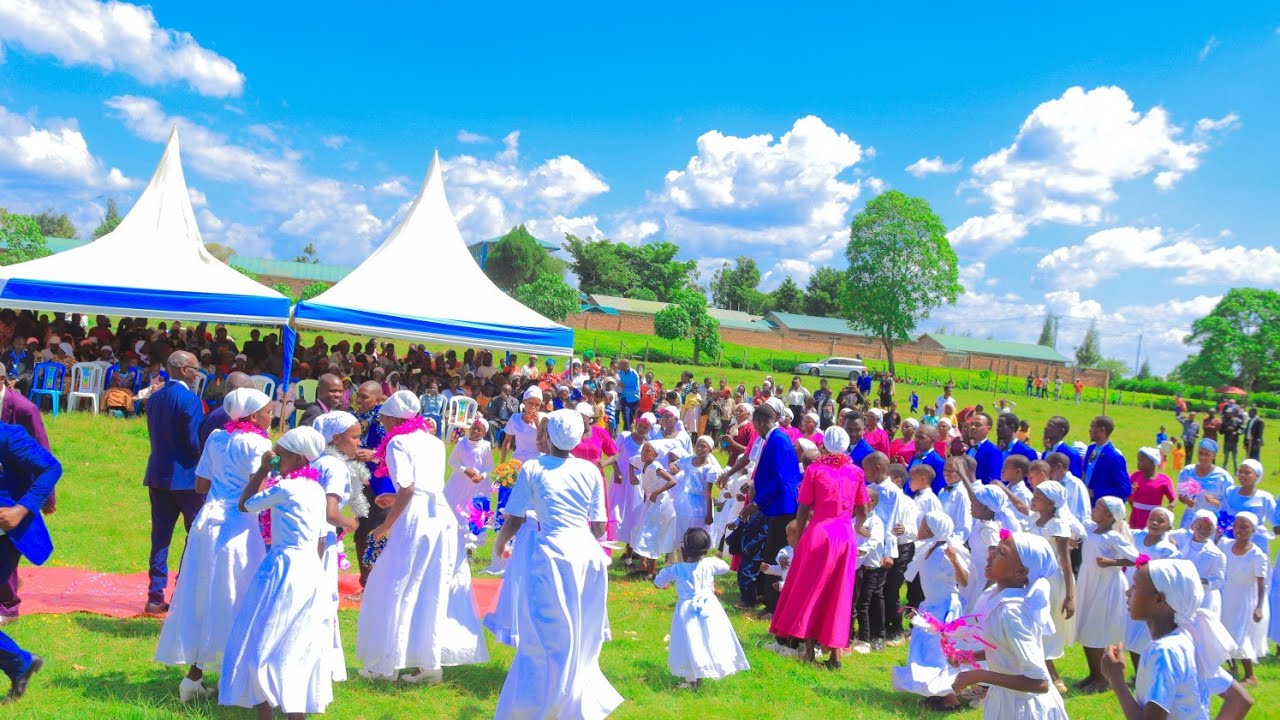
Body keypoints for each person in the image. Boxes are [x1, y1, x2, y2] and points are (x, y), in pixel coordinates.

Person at [491, 409, 623, 719]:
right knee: (581, 631)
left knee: (544, 633)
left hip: (554, 556)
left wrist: (499, 544)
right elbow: (600, 527)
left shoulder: (534, 467)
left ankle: (548, 702)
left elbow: (517, 516)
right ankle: (574, 695)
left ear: (549, 437)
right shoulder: (590, 471)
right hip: (588, 557)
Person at [356, 391, 488, 683]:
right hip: (439, 515)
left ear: (392, 419)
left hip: (416, 518)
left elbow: (409, 486)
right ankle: (429, 666)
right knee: (432, 584)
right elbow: (423, 487)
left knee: (395, 582)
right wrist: (395, 499)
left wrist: (385, 526)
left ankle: (385, 665)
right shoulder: (433, 440)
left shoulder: (397, 442)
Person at [155, 388, 273, 702]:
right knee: (238, 595)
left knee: (202, 594)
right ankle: (237, 676)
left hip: (207, 520)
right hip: (237, 524)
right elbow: (256, 494)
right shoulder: (258, 443)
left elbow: (200, 484)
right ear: (251, 415)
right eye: (267, 411)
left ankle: (193, 678)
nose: (271, 416)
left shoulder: (217, 437)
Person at [219, 427, 332, 719]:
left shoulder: (285, 488)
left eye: (279, 455)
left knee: (261, 642)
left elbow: (245, 505)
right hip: (311, 570)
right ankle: (296, 712)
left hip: (283, 569)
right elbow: (321, 539)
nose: (274, 458)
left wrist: (260, 472)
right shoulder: (317, 490)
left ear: (297, 458)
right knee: (297, 644)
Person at [1102, 557, 1253, 720]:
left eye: (1135, 586)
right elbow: (1240, 700)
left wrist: (1116, 679)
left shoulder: (1163, 651)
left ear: (1159, 599)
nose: (1128, 592)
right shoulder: (1190, 640)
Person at [770, 426, 867, 668]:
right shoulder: (856, 472)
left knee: (811, 589)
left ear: (824, 445)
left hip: (819, 533)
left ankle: (810, 650)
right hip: (844, 535)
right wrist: (854, 528)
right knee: (839, 593)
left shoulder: (814, 470)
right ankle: (835, 655)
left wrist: (801, 535)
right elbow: (863, 509)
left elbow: (802, 509)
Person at [951, 531, 1068, 718]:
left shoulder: (1012, 612)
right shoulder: (996, 597)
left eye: (1001, 553)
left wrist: (981, 676)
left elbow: (1039, 682)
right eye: (995, 549)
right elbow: (1007, 648)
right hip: (1006, 700)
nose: (990, 554)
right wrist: (972, 656)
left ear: (1020, 572)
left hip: (1025, 708)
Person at [0, 421, 62, 702]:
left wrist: (21, 509)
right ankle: (20, 663)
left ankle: (21, 663)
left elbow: (52, 467)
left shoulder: (8, 436)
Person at [143, 350, 207, 614]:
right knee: (195, 536)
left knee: (160, 538)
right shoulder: (190, 400)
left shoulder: (154, 397)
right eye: (194, 369)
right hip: (186, 478)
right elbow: (193, 443)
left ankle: (155, 595)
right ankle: (182, 593)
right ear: (181, 370)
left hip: (158, 473)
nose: (197, 374)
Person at [891, 511, 969, 710]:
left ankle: (951, 697)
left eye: (923, 525)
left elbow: (965, 580)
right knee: (926, 650)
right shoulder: (927, 548)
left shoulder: (944, 551)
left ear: (932, 529)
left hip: (944, 608)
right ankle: (936, 691)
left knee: (941, 651)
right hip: (931, 606)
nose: (919, 528)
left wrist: (954, 559)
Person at [654, 528, 749, 689]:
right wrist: (713, 558)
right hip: (710, 607)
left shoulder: (678, 569)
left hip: (686, 610)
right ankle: (711, 666)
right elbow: (725, 567)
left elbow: (659, 582)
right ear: (706, 549)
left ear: (684, 549)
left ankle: (692, 679)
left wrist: (666, 574)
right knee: (710, 638)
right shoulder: (710, 564)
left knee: (690, 640)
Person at [0, 370, 50, 626]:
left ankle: (8, 607)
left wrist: (46, 497)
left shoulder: (24, 408)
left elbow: (43, 451)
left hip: (18, 490)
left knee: (9, 545)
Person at [750, 403, 802, 613]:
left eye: (755, 424)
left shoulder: (778, 440)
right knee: (772, 551)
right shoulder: (776, 438)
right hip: (779, 503)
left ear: (760, 422)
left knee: (775, 553)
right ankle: (770, 599)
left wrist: (756, 503)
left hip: (783, 505)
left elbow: (780, 479)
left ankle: (773, 605)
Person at [1028, 481, 1079, 693]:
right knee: (1031, 625)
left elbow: (1066, 562)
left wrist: (1070, 596)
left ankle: (1053, 676)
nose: (1033, 499)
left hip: (1050, 581)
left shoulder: (1057, 525)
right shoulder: (1033, 520)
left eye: (1038, 497)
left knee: (1045, 626)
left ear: (1050, 503)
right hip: (1031, 579)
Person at [1219, 512, 1269, 686]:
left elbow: (1261, 584)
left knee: (1239, 634)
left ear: (1253, 530)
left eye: (1244, 527)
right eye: (1236, 526)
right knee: (1223, 630)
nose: (1239, 530)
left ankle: (1250, 676)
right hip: (1226, 595)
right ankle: (1233, 668)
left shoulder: (1257, 555)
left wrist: (1259, 607)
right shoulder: (1225, 545)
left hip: (1244, 599)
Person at [1175, 438, 1233, 530]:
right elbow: (1181, 496)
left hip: (1212, 522)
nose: (1203, 457)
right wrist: (1187, 500)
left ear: (1214, 456)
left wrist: (1215, 501)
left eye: (1207, 454)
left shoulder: (1222, 477)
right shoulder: (1188, 472)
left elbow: (1230, 505)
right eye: (1200, 453)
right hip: (1190, 520)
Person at [1084, 415, 1131, 503]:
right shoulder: (1090, 449)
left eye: (1092, 427)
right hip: (1085, 503)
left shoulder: (1114, 457)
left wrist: (1095, 492)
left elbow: (1124, 489)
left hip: (1100, 507)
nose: (1089, 430)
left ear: (1102, 430)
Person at [1129, 447, 1174, 529]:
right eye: (1138, 460)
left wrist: (1170, 507)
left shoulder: (1163, 479)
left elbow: (1172, 498)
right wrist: (1131, 492)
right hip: (1137, 515)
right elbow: (1127, 495)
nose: (1138, 463)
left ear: (1153, 462)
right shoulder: (1135, 476)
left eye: (1142, 461)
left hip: (1153, 517)